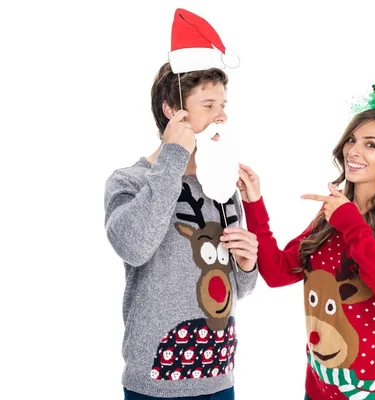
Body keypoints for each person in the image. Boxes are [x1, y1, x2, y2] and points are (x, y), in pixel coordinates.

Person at [231, 79, 375, 399]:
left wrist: (350, 221)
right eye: (352, 139)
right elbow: (279, 273)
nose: (354, 150)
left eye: (371, 144)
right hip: (317, 388)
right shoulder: (330, 214)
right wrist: (254, 202)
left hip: (370, 393)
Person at [104, 9, 257, 400]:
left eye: (223, 104)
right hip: (154, 381)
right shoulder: (128, 182)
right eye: (209, 105)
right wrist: (174, 157)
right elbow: (135, 247)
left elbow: (241, 287)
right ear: (174, 111)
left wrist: (247, 262)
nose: (222, 116)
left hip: (218, 374)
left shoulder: (222, 186)